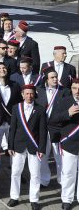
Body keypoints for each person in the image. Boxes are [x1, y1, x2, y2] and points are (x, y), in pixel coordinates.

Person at [8, 84, 46, 209]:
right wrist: (10, 146)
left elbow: (42, 130)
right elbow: (12, 128)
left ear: (34, 94)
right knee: (15, 172)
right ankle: (14, 197)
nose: (29, 96)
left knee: (35, 174)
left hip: (34, 146)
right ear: (22, 94)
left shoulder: (40, 109)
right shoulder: (16, 108)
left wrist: (42, 148)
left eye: (31, 93)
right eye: (27, 93)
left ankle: (34, 199)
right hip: (18, 145)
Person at [51, 78, 79, 210]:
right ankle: (67, 199)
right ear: (71, 89)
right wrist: (68, 113)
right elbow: (53, 119)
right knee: (68, 173)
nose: (77, 91)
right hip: (69, 142)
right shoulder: (64, 102)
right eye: (74, 88)